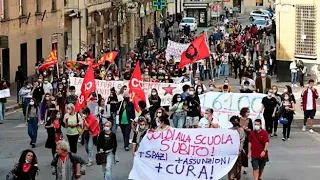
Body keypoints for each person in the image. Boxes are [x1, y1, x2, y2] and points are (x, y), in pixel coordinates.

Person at [228, 116, 245, 180]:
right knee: (231, 167)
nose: (235, 122)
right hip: (231, 152)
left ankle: (237, 177)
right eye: (233, 121)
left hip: (238, 152)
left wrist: (240, 150)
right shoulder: (229, 130)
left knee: (238, 167)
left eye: (236, 121)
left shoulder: (241, 130)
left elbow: (242, 141)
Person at [239, 107, 253, 174]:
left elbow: (251, 130)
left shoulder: (249, 120)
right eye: (247, 112)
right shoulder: (238, 119)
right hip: (239, 138)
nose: (248, 113)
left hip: (247, 138)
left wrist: (247, 129)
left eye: (249, 112)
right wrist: (241, 128)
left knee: (245, 152)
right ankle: (239, 166)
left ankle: (245, 167)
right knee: (239, 152)